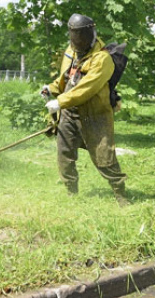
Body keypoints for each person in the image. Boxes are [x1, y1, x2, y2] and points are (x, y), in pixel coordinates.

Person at [42, 14, 129, 206]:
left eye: (81, 36)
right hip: (68, 112)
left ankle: (120, 193)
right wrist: (51, 88)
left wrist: (60, 101)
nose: (78, 41)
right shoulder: (71, 51)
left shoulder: (103, 58)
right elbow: (67, 78)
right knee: (64, 153)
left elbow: (87, 87)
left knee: (104, 156)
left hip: (94, 114)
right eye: (75, 36)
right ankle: (71, 193)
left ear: (91, 33)